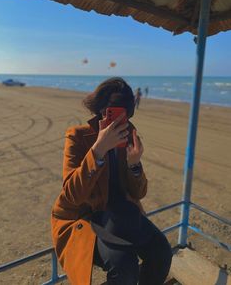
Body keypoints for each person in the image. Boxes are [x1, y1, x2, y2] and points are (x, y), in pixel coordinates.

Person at [51, 77, 172, 285]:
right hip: (87, 217)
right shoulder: (78, 137)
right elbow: (72, 195)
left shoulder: (128, 136)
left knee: (162, 252)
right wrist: (98, 150)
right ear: (100, 111)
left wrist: (135, 164)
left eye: (123, 115)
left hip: (120, 215)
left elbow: (139, 193)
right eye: (110, 113)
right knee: (125, 265)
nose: (117, 121)